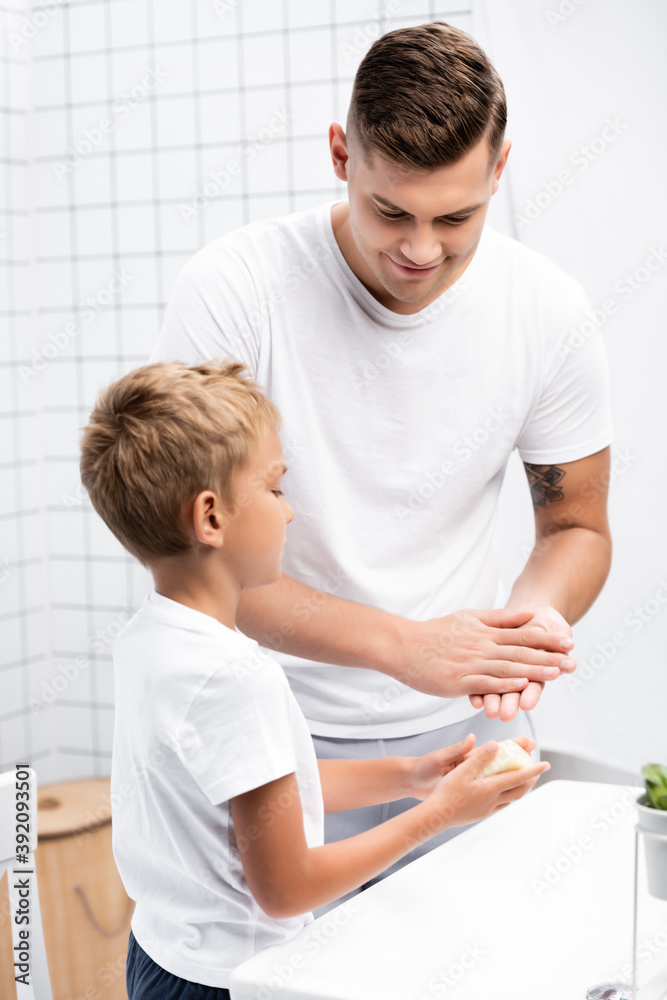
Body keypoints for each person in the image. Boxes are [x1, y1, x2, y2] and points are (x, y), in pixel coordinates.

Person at [148, 21, 613, 905]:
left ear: (500, 170)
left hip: (466, 743)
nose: (420, 250)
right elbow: (193, 564)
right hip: (270, 746)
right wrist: (409, 647)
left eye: (456, 218)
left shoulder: (548, 312)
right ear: (339, 154)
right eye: (390, 211)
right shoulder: (236, 292)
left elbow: (576, 525)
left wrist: (517, 634)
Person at [78, 359, 549, 998]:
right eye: (275, 490)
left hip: (160, 958)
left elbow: (252, 795)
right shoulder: (236, 677)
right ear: (211, 518)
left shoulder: (149, 640)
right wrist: (439, 815)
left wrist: (410, 777)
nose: (291, 513)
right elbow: (286, 889)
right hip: (233, 982)